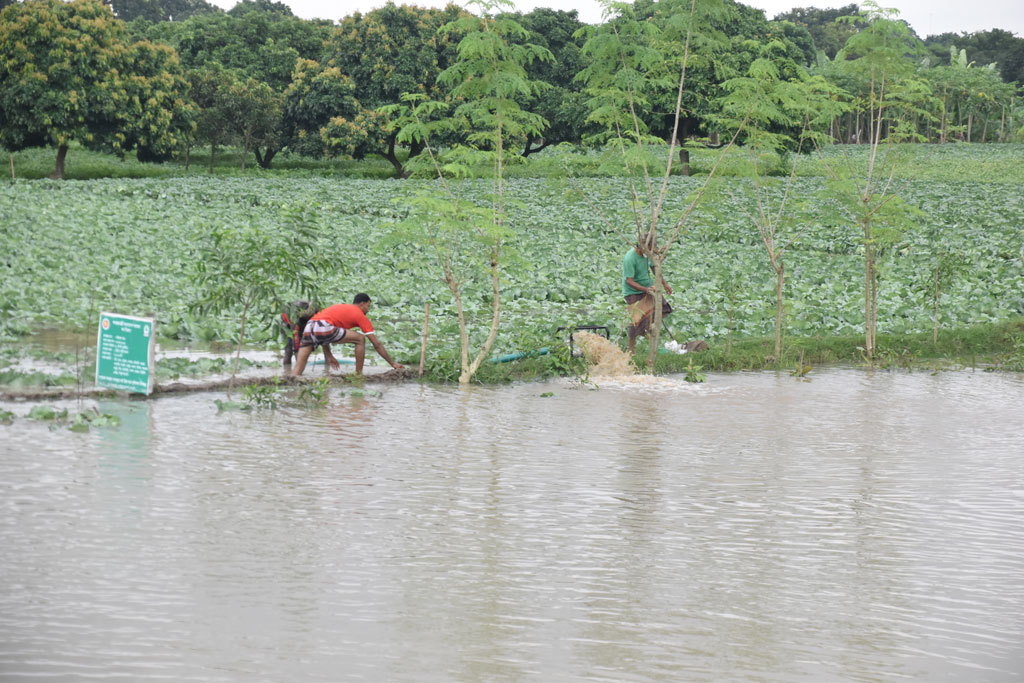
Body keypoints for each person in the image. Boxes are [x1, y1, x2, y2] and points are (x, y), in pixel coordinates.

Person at [290, 293, 405, 376]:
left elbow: (322, 334)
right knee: (360, 339)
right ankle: (358, 375)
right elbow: (376, 344)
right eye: (368, 306)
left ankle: (292, 381)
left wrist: (329, 356)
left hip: (310, 326)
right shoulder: (359, 315)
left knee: (299, 367)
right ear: (362, 304)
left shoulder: (341, 307)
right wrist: (392, 363)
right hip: (324, 326)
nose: (368, 310)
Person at [622, 238, 673, 354]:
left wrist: (664, 284)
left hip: (648, 288)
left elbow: (654, 269)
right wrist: (645, 289)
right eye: (649, 248)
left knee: (663, 308)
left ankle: (645, 330)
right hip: (633, 292)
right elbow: (629, 281)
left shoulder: (647, 255)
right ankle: (631, 350)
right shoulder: (630, 258)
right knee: (635, 321)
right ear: (641, 247)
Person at [279, 299, 318, 367]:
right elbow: (296, 340)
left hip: (300, 323)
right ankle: (291, 370)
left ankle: (297, 368)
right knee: (289, 349)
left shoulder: (315, 311)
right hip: (287, 326)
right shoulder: (295, 316)